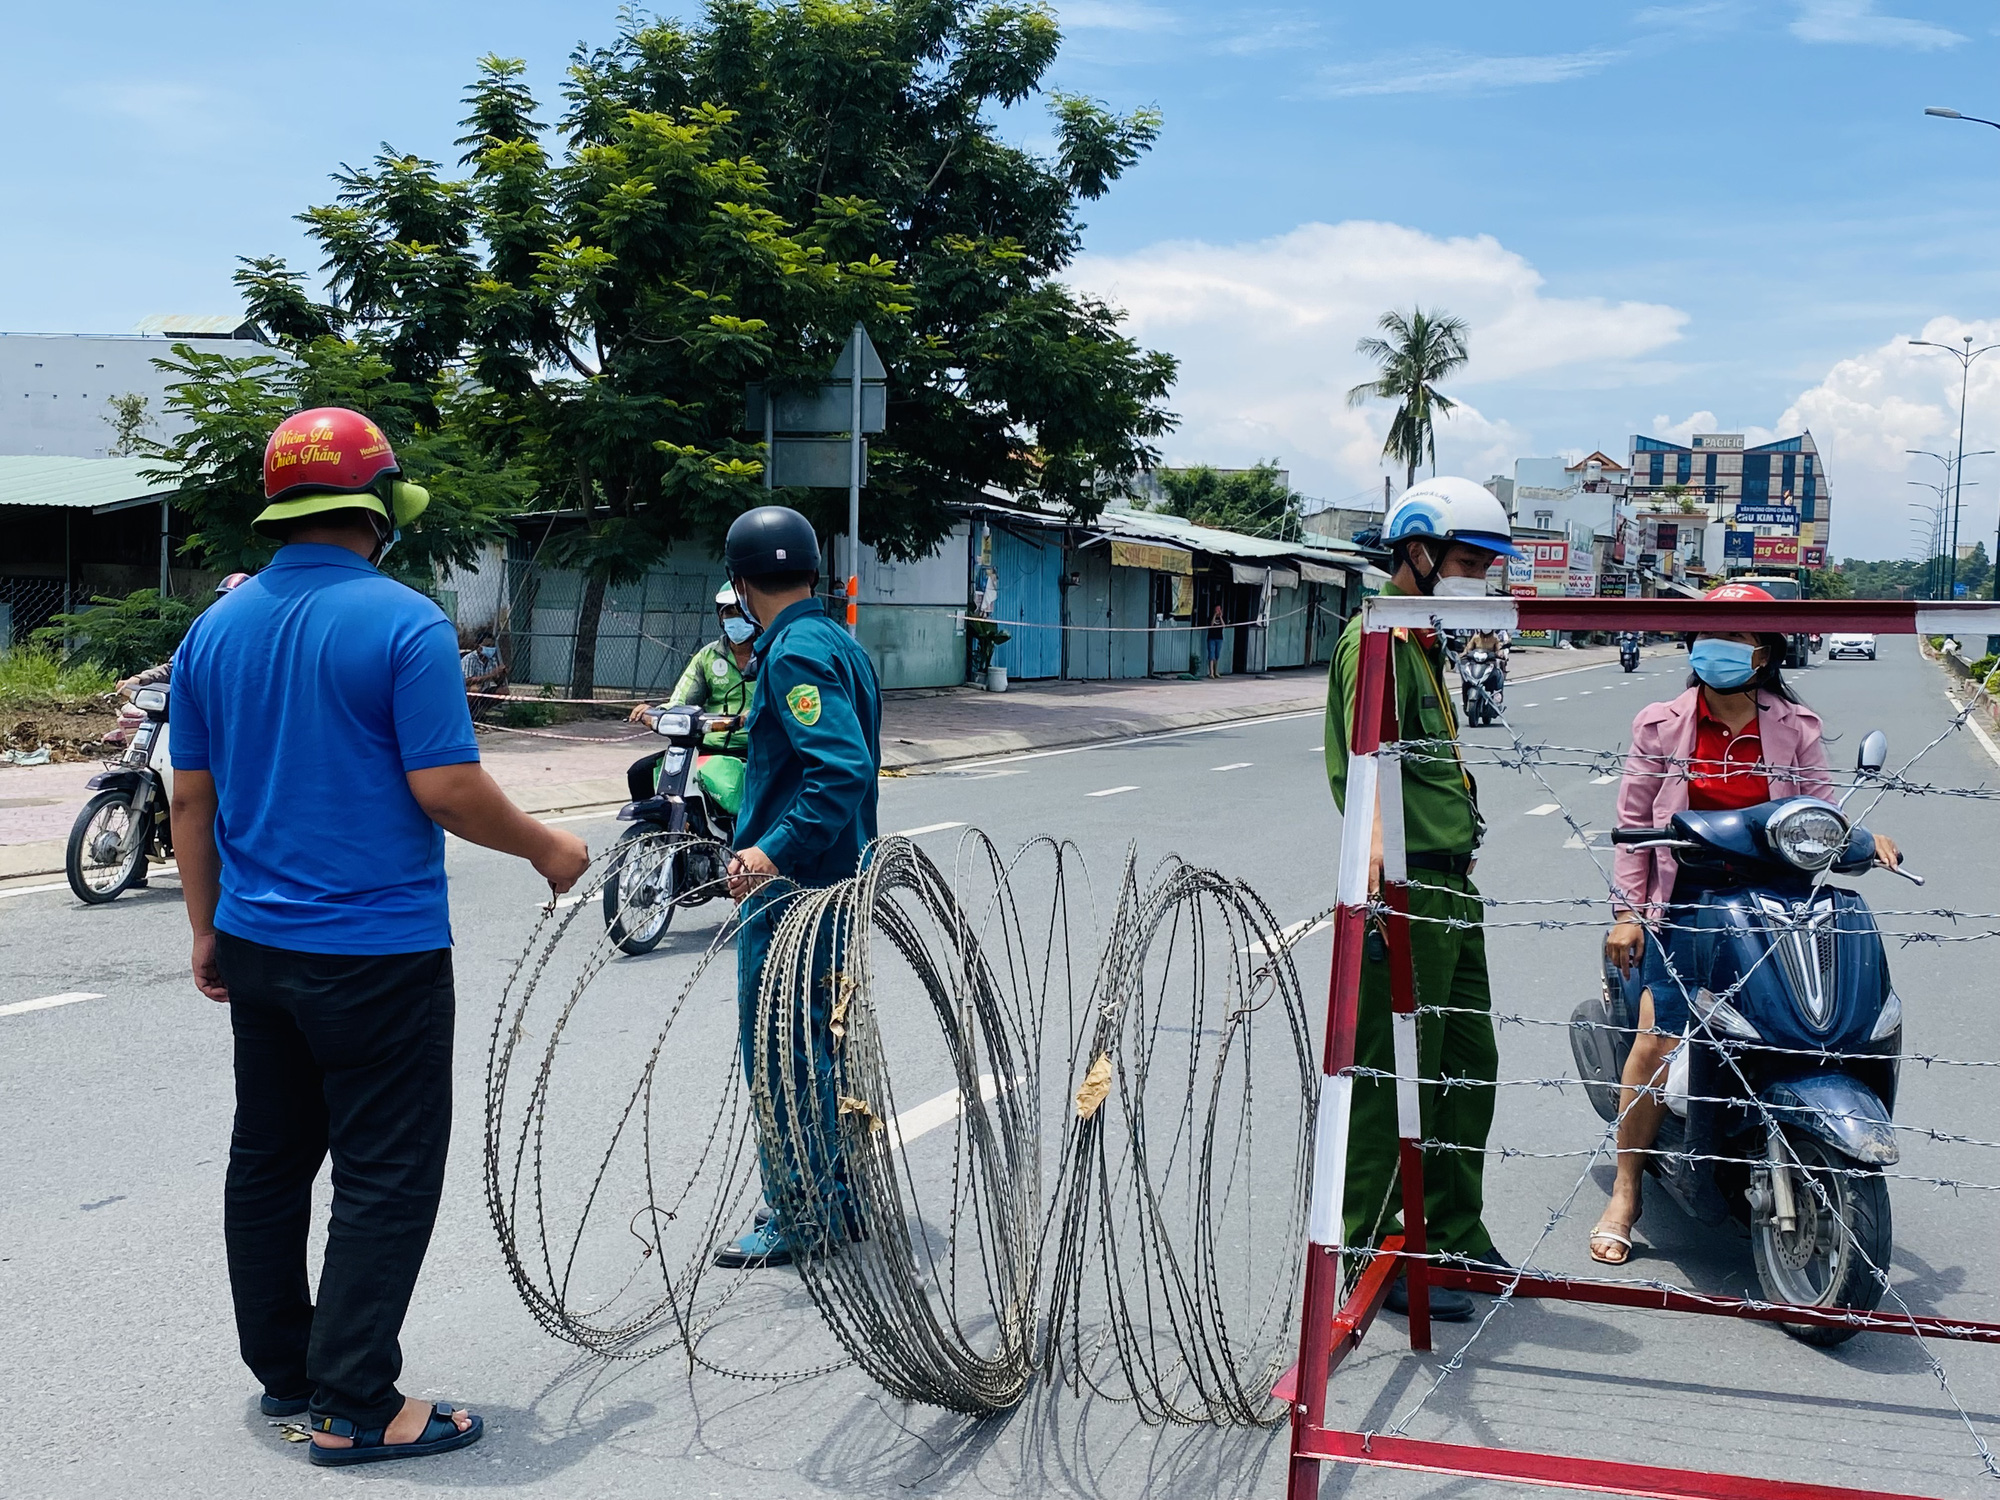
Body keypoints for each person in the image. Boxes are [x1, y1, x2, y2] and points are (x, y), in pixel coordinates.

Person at [168, 407, 590, 1467]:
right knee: (384, 1172)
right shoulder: (403, 624)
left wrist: (204, 929)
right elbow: (444, 787)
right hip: (374, 954)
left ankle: (289, 1375)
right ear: (379, 509)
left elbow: (187, 800)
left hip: (256, 942)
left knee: (268, 1162)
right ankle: (358, 1405)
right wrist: (546, 848)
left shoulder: (213, 629)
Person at [1590, 581, 1900, 1264]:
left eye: (1735, 635)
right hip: (1691, 903)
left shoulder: (1796, 726)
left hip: (1779, 902)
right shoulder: (1660, 723)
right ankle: (1627, 1189)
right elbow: (1636, 827)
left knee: (1815, 1026)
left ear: (1763, 651)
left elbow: (1820, 808)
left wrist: (1863, 838)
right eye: (1709, 634)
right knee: (1657, 1041)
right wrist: (1628, 914)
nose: (1717, 647)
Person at [1323, 476, 1524, 1322]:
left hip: (1452, 885)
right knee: (1386, 1080)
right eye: (1468, 560)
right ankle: (1374, 1254)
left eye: (1487, 563)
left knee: (1466, 1065)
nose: (1481, 575)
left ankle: (1451, 1232)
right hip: (1405, 890)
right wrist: (1376, 898)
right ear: (1416, 553)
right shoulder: (1373, 640)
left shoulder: (1425, 645)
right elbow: (1361, 775)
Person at [711, 505, 882, 1270]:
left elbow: (841, 769)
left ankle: (799, 1211)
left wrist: (768, 855)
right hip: (835, 881)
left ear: (743, 585)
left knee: (783, 1051)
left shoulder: (793, 655)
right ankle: (833, 1200)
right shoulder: (838, 639)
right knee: (820, 1045)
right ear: (812, 570)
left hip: (797, 894)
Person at [626, 586, 758, 817]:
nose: (735, 619)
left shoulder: (771, 654)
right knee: (640, 772)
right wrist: (655, 712)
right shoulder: (707, 656)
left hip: (755, 748)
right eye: (729, 613)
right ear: (720, 617)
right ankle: (652, 835)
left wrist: (756, 713)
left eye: (742, 613)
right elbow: (682, 700)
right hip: (707, 745)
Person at [460, 631, 507, 711]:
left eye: (492, 646)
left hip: (484, 689)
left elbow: (497, 682)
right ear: (478, 646)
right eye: (487, 646)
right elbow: (468, 681)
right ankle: (471, 711)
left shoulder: (492, 659)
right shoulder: (470, 659)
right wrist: (491, 675)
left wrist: (501, 674)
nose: (490, 648)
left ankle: (483, 709)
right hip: (466, 690)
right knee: (475, 689)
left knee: (504, 691)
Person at [1206, 602, 1227, 677]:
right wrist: (1215, 615)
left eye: (1219, 609)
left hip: (1219, 638)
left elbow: (1224, 625)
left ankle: (1216, 671)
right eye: (1217, 609)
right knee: (1211, 655)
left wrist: (1220, 617)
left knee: (1217, 655)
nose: (1218, 610)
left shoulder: (1222, 617)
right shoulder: (1210, 617)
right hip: (1211, 638)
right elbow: (1211, 625)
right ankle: (1211, 672)